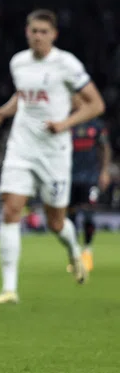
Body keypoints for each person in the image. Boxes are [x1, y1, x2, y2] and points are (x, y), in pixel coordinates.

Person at [0, 10, 105, 304]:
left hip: (54, 151)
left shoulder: (66, 64)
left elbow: (96, 105)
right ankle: (9, 289)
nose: (38, 36)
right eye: (33, 31)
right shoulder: (19, 62)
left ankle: (74, 252)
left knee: (55, 222)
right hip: (21, 146)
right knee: (11, 209)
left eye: (43, 31)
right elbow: (23, 96)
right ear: (27, 32)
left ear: (54, 35)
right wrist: (5, 110)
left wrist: (64, 125)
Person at [67, 96, 111, 272]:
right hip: (69, 176)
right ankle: (75, 253)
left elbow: (105, 148)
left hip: (90, 176)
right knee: (70, 216)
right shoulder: (67, 123)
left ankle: (87, 250)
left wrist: (105, 171)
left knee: (88, 213)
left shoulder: (95, 124)